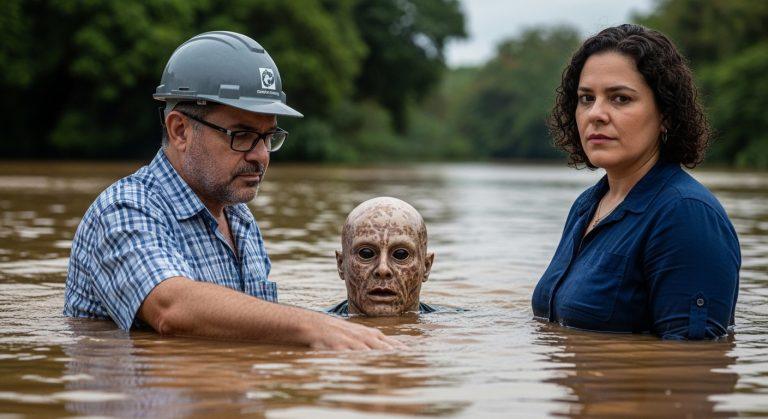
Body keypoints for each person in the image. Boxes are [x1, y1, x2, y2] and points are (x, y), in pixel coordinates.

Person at [64, 31, 403, 350]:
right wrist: (312, 327)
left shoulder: (238, 217)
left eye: (268, 137)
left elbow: (249, 329)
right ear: (180, 130)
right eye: (241, 135)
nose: (261, 156)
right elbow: (171, 308)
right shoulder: (124, 209)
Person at [532, 24, 740, 340]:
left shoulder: (686, 215)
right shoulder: (587, 205)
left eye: (620, 99)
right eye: (586, 98)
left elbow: (694, 364)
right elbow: (555, 323)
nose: (596, 114)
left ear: (666, 114)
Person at [328, 197, 437, 316]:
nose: (383, 269)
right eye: (366, 253)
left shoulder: (454, 326)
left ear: (426, 267)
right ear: (341, 265)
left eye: (401, 254)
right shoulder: (317, 330)